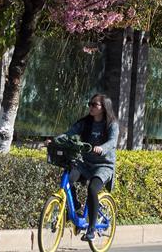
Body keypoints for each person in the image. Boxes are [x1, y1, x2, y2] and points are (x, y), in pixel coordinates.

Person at [52, 94, 119, 242]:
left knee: (92, 189)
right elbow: (69, 134)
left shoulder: (111, 124)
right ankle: (75, 206)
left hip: (103, 165)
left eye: (94, 105)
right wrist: (54, 140)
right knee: (68, 179)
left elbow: (113, 142)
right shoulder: (85, 122)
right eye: (90, 104)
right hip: (85, 163)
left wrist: (102, 148)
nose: (91, 107)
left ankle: (92, 228)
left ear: (104, 108)